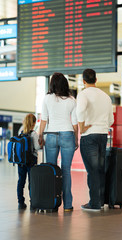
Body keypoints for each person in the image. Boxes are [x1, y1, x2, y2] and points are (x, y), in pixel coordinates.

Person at [38, 72, 78, 212]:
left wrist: (40, 135)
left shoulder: (47, 98)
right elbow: (74, 123)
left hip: (51, 134)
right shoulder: (72, 100)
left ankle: (52, 203)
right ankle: (67, 205)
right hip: (67, 134)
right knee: (66, 170)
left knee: (52, 170)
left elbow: (44, 119)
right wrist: (76, 138)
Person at [76, 68, 114, 212]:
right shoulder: (105, 96)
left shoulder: (83, 94)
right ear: (96, 80)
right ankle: (101, 200)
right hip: (103, 135)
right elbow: (111, 120)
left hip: (89, 136)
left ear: (83, 81)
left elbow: (80, 111)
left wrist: (82, 127)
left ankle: (94, 203)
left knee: (92, 171)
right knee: (100, 169)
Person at [17, 113, 40, 210]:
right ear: (34, 123)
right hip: (31, 160)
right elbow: (37, 147)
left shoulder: (21, 132)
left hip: (21, 161)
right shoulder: (34, 134)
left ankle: (21, 203)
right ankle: (33, 204)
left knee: (21, 181)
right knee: (32, 182)